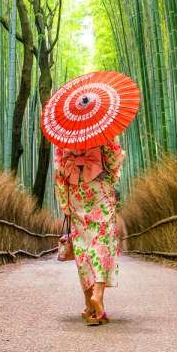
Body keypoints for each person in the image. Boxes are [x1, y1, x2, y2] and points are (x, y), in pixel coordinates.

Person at [54, 139, 124, 326]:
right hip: (99, 190)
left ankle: (89, 305)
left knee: (82, 245)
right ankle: (97, 294)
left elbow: (60, 172)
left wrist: (65, 203)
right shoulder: (102, 132)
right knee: (102, 240)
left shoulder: (64, 135)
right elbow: (114, 159)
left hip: (77, 193)